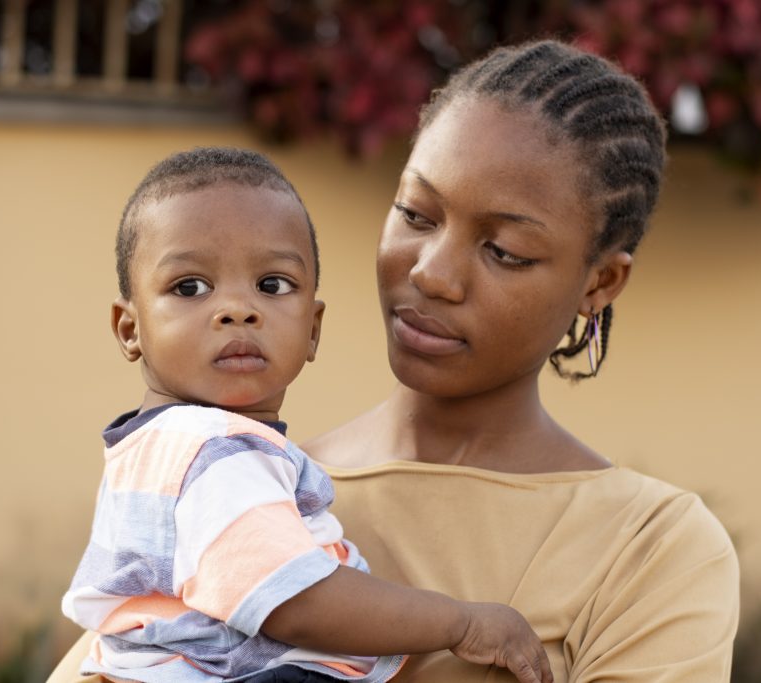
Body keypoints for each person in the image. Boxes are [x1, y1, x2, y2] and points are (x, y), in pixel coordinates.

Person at [50, 38, 740, 683]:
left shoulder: (652, 549)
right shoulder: (237, 485)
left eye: (504, 251)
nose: (433, 273)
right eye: (416, 214)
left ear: (599, 283)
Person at [59, 146, 552, 683]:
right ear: (130, 329)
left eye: (272, 285)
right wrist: (460, 622)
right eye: (190, 288)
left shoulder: (156, 447)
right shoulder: (212, 449)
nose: (238, 309)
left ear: (312, 328)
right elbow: (296, 602)